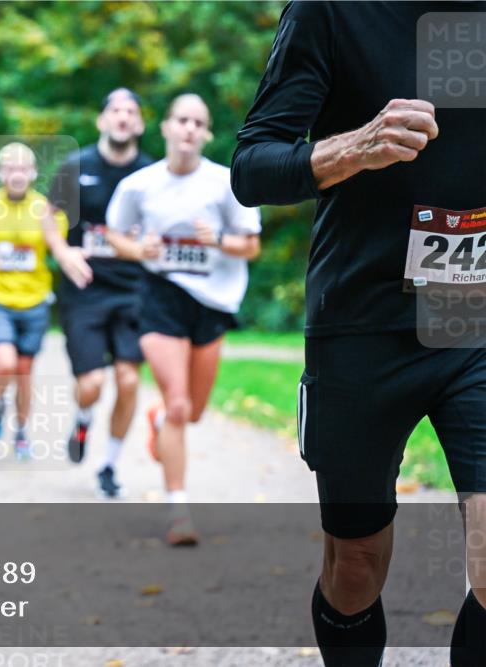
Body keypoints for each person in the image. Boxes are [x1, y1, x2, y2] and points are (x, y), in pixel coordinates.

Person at [230, 2, 485, 665]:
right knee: (354, 565)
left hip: (474, 319)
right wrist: (355, 145)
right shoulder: (333, 11)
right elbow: (252, 166)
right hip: (363, 316)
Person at [106, 93, 261, 544]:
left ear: (207, 133)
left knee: (190, 412)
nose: (190, 128)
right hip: (161, 297)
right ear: (167, 128)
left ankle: (159, 422)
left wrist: (218, 241)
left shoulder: (225, 184)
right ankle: (178, 512)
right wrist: (139, 250)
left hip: (211, 303)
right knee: (177, 404)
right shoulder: (140, 185)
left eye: (199, 122)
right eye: (182, 120)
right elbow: (114, 234)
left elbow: (250, 246)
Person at [43, 88, 153, 499]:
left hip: (133, 289)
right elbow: (49, 219)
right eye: (115, 111)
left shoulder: (150, 174)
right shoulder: (75, 167)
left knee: (127, 381)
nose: (123, 118)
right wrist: (62, 251)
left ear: (139, 124)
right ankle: (83, 417)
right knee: (91, 383)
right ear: (102, 121)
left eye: (130, 112)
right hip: (85, 289)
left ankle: (108, 466)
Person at [0, 142, 68, 459]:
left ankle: (21, 433)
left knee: (24, 372)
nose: (17, 174)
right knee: (4, 363)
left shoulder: (47, 210)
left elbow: (60, 247)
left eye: (23, 168)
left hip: (34, 300)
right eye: (10, 168)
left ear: (34, 173)